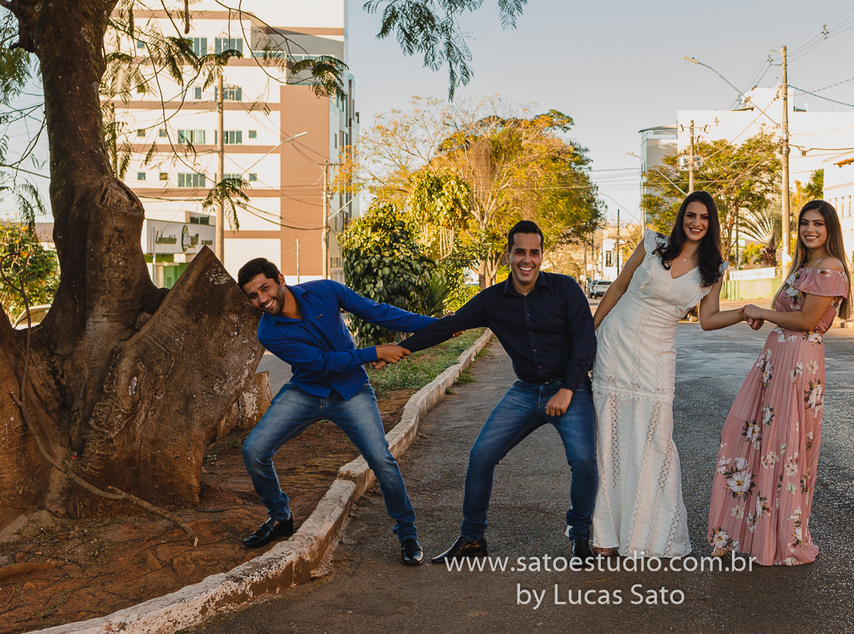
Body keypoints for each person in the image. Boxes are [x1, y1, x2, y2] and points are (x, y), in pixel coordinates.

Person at [395, 220, 598, 565]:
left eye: (534, 252)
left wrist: (566, 390)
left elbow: (585, 342)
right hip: (525, 391)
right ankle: (473, 538)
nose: (527, 260)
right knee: (481, 456)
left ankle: (580, 536)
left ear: (541, 256)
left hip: (569, 389)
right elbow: (448, 325)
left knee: (583, 461)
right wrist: (401, 349)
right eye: (520, 251)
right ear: (508, 255)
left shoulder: (565, 289)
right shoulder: (491, 301)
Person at [237, 258, 436, 566]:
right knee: (254, 450)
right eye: (253, 295)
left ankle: (407, 535)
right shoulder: (269, 333)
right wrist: (375, 353)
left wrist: (437, 326)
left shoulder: (326, 291)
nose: (262, 299)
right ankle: (280, 516)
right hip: (306, 391)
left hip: (351, 391)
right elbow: (323, 362)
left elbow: (378, 312)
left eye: (265, 288)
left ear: (280, 278)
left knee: (381, 460)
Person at [590, 191, 745, 558]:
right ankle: (604, 534)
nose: (696, 222)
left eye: (704, 217)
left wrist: (743, 313)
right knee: (608, 437)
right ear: (681, 218)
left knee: (653, 440)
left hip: (658, 357)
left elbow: (707, 319)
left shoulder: (713, 270)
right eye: (690, 215)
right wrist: (588, 337)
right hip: (616, 345)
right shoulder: (653, 246)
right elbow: (617, 287)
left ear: (712, 223)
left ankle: (644, 535)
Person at [707, 199, 852, 566]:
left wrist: (760, 312)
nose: (810, 230)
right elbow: (787, 315)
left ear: (830, 229)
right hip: (776, 361)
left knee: (784, 448)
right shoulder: (803, 267)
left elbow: (805, 320)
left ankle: (780, 538)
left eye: (818, 224)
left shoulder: (831, 269)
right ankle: (741, 533)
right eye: (805, 223)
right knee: (749, 435)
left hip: (798, 362)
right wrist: (764, 315)